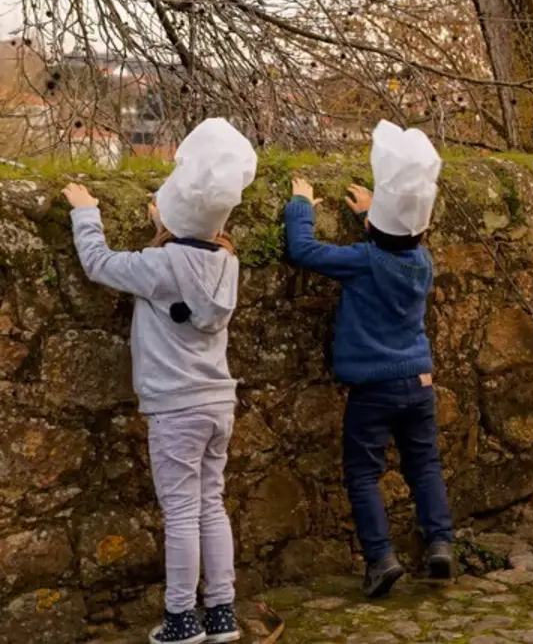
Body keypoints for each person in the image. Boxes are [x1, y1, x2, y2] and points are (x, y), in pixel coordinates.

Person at [64, 118, 257, 644]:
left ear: (172, 216)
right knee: (211, 503)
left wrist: (86, 212)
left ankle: (180, 619)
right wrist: (170, 222)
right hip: (219, 402)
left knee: (180, 512)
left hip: (175, 407)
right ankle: (221, 610)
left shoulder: (158, 265)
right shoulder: (228, 265)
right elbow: (193, 247)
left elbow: (100, 262)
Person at [283, 121, 454, 597]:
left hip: (374, 388)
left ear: (373, 227)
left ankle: (381, 559)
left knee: (362, 472)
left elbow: (304, 250)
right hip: (419, 382)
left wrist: (300, 204)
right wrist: (375, 213)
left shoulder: (363, 260)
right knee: (424, 465)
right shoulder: (422, 261)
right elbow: (399, 236)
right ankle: (439, 543)